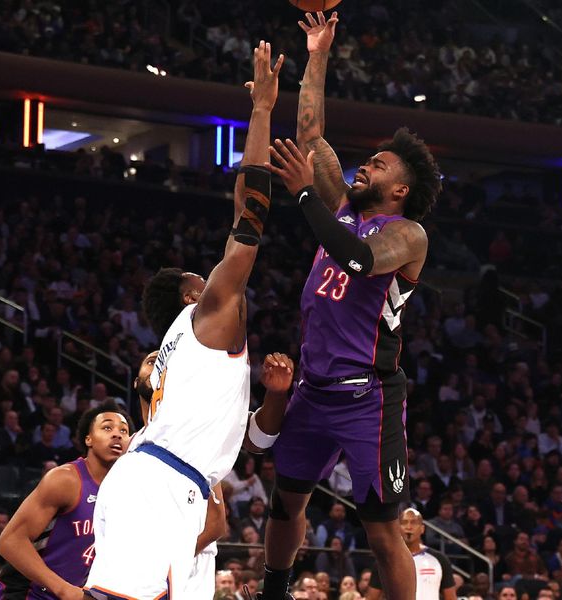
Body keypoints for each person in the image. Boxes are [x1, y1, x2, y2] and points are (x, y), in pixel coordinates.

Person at [84, 39, 283, 600]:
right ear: (193, 289)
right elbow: (249, 217)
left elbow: (253, 435)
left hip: (167, 482)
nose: (215, 274)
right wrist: (262, 112)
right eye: (206, 273)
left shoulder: (184, 344)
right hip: (161, 484)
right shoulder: (209, 311)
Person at [259, 11, 441, 600]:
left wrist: (306, 194)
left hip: (370, 396)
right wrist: (317, 52)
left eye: (381, 165)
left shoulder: (407, 234)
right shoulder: (341, 204)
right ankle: (274, 589)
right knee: (285, 502)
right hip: (314, 388)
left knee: (381, 529)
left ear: (401, 188)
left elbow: (359, 260)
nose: (367, 165)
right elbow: (311, 134)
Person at [132, 347, 295, 600]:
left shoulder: (197, 430)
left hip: (185, 574)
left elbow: (216, 524)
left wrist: (276, 394)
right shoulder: (129, 448)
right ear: (135, 381)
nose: (157, 366)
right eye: (151, 361)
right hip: (137, 571)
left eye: (162, 362)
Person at [0, 405, 129, 599]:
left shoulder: (125, 491)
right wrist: (63, 589)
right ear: (88, 439)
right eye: (107, 428)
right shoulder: (65, 479)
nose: (117, 435)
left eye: (123, 431)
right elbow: (9, 542)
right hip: (29, 592)